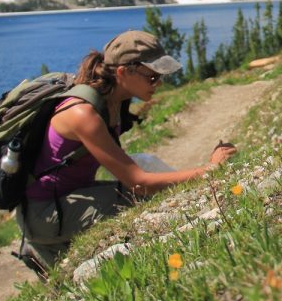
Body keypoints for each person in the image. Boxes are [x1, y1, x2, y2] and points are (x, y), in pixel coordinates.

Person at [16, 30, 237, 275]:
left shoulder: (112, 100)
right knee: (145, 199)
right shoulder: (83, 114)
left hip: (69, 196)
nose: (159, 83)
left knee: (145, 167)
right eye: (152, 77)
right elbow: (139, 183)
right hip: (43, 213)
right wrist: (209, 170)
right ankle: (49, 250)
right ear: (123, 72)